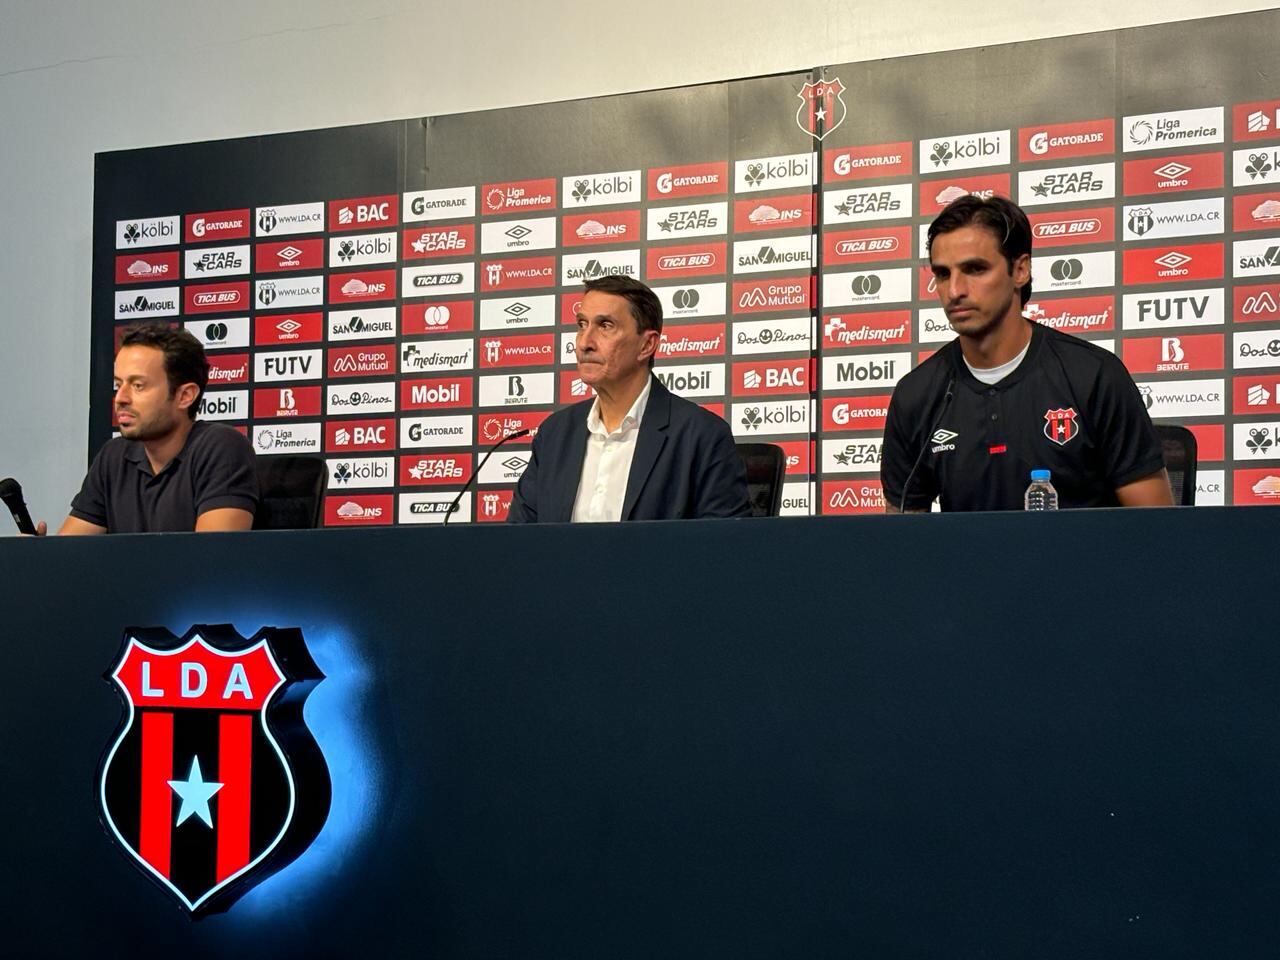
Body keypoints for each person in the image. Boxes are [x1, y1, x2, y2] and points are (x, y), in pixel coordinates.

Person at [881, 195, 1172, 512]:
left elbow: (1156, 532)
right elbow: (903, 542)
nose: (955, 291)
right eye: (943, 274)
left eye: (975, 269)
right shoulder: (916, 395)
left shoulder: (1094, 376)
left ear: (1020, 270)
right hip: (969, 563)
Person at [508, 275, 750, 522]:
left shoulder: (701, 435)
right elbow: (517, 544)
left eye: (605, 326)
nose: (584, 343)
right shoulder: (555, 434)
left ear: (646, 345)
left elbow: (724, 549)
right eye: (582, 324)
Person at [38, 323, 257, 534]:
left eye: (138, 386)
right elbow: (69, 555)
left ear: (184, 396)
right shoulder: (113, 457)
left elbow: (213, 559)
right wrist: (36, 556)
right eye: (118, 385)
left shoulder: (221, 447)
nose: (120, 398)